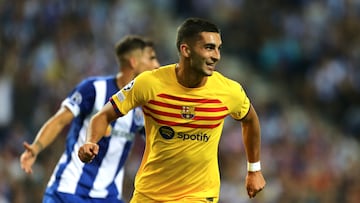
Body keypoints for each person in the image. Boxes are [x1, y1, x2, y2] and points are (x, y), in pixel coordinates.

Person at [78, 17, 266, 203]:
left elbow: (250, 120)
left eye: (218, 48)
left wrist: (254, 169)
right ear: (186, 50)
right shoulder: (150, 83)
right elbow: (103, 115)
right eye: (209, 48)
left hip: (198, 195)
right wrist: (90, 141)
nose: (216, 55)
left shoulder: (228, 91)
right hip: (149, 193)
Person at [19, 35, 160, 203]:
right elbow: (60, 120)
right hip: (69, 191)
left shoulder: (146, 105)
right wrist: (35, 148)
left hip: (108, 197)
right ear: (133, 62)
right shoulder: (95, 89)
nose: (156, 65)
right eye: (151, 58)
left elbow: (159, 143)